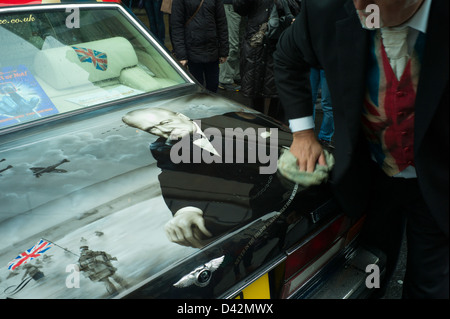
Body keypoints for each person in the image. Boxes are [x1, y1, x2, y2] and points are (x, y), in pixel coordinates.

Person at [273, 0, 449, 298]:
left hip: (438, 175)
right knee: (371, 274)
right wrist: (303, 133)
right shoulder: (327, 9)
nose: (364, 10)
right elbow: (288, 59)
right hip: (370, 174)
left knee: (432, 286)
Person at [122, 107, 326, 248]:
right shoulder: (164, 149)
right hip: (257, 215)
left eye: (164, 122)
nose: (162, 130)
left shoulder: (232, 119)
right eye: (153, 129)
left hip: (305, 193)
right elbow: (170, 176)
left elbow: (286, 139)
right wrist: (186, 210)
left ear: (181, 114)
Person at [233, 0, 301, 123]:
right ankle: (258, 126)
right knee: (256, 89)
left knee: (277, 92)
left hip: (280, 42)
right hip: (257, 42)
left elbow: (298, 8)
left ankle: (275, 128)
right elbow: (239, 8)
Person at [170, 0, 229, 93]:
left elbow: (221, 23)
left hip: (212, 49)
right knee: (196, 89)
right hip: (192, 50)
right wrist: (181, 55)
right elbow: (176, 26)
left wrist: (224, 51)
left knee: (213, 86)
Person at [218, 1, 243, 91]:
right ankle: (225, 79)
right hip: (231, 5)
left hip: (241, 6)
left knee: (239, 42)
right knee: (232, 43)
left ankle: (235, 75)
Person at [310, 68, 335, 150]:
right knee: (309, 100)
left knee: (328, 104)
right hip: (313, 62)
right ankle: (309, 133)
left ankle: (325, 138)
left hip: (329, 64)